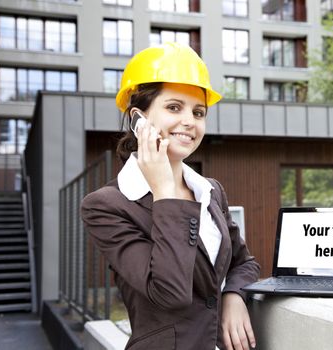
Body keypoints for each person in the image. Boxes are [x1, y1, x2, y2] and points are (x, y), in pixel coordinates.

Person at [81, 42, 260, 350]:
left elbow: (245, 263)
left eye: (198, 111)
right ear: (139, 118)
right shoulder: (106, 206)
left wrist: (233, 295)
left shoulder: (210, 191)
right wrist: (165, 193)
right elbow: (169, 292)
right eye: (174, 107)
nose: (190, 121)